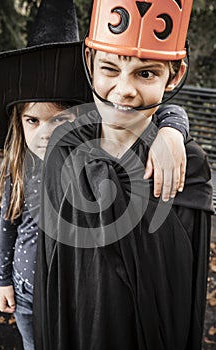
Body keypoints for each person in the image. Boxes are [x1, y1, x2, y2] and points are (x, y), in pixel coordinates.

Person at [33, 0, 214, 349]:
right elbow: (53, 275)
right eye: (110, 69)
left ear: (174, 74)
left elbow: (183, 290)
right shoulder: (63, 151)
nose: (125, 89)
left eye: (146, 73)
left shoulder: (186, 167)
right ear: (90, 64)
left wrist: (173, 126)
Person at [0, 101, 76, 350]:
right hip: (25, 289)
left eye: (59, 120)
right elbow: (8, 225)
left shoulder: (87, 165)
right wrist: (3, 280)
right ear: (20, 123)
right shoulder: (19, 165)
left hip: (68, 294)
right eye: (33, 121)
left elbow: (159, 113)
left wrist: (172, 128)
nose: (45, 132)